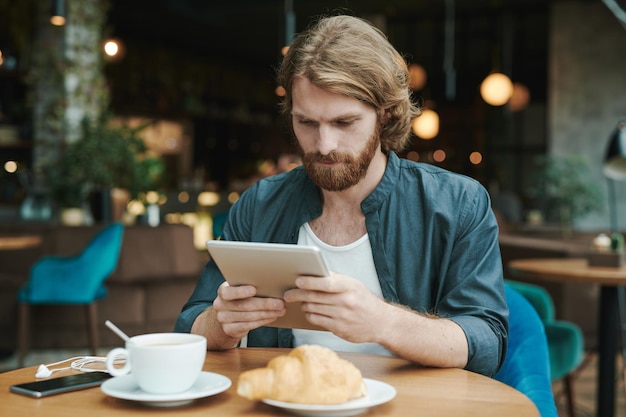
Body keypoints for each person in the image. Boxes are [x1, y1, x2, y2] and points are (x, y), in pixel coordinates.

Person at [175, 14, 508, 377]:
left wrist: (383, 321)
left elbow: (486, 343)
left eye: (344, 123)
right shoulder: (260, 204)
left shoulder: (458, 203)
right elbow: (190, 324)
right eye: (306, 123)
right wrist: (221, 322)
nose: (324, 145)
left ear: (385, 114)